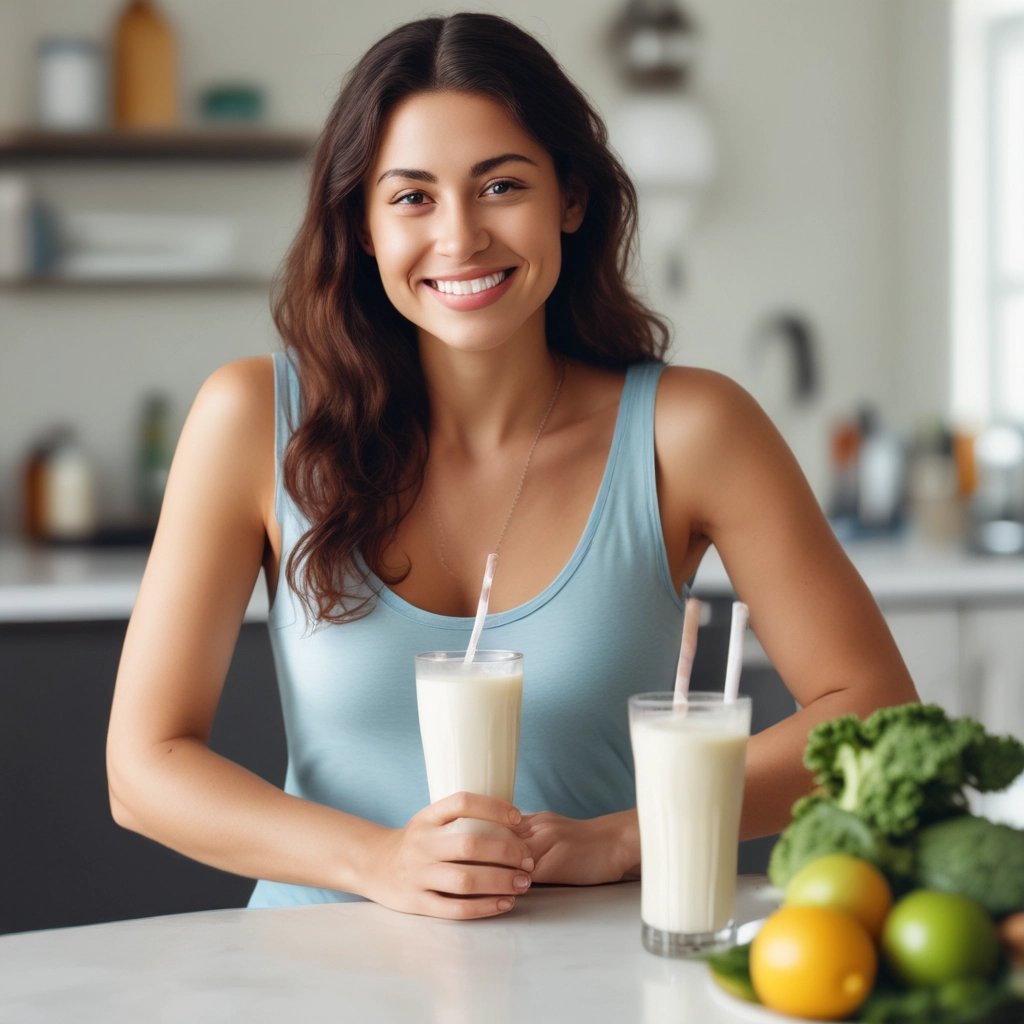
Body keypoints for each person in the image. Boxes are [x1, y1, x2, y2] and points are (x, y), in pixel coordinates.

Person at [106, 12, 918, 921]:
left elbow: (876, 710)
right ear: (364, 225)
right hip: (314, 974)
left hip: (596, 970)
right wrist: (378, 862)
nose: (460, 238)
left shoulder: (691, 430)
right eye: (412, 197)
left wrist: (627, 837)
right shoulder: (252, 420)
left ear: (571, 198)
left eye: (500, 186)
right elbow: (142, 769)